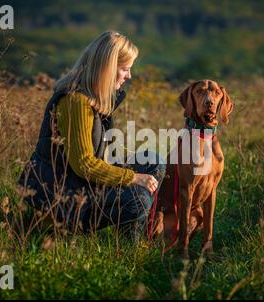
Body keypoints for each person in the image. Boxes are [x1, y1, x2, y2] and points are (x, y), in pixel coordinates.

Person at [18, 31, 165, 240]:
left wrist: (126, 166)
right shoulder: (75, 101)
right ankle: (127, 252)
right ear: (108, 68)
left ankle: (131, 239)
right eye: (125, 69)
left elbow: (95, 154)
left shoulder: (92, 99)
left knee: (153, 162)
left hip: (82, 184)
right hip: (67, 198)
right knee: (138, 198)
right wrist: (133, 177)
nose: (129, 76)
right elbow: (85, 165)